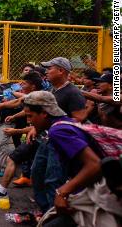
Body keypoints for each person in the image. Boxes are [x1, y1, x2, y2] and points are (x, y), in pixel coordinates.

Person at [23, 91, 122, 227]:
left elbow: (94, 164)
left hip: (100, 190)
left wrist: (62, 192)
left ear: (44, 113)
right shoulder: (66, 122)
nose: (28, 121)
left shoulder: (58, 131)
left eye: (30, 116)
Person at [0, 72, 44, 200]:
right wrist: (12, 113)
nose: (21, 84)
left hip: (47, 138)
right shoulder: (30, 96)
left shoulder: (42, 97)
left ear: (33, 86)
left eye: (24, 83)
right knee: (16, 158)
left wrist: (17, 130)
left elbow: (46, 123)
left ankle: (47, 201)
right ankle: (2, 191)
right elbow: (19, 102)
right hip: (35, 134)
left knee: (43, 168)